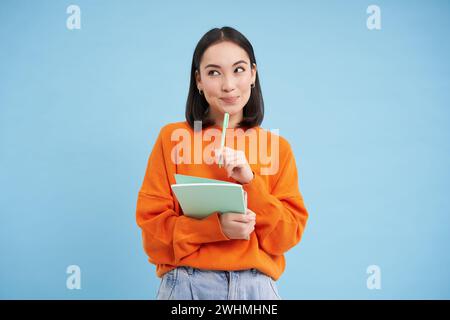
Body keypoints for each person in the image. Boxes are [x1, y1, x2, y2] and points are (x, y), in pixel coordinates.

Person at [136, 26, 309, 300]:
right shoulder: (172, 139)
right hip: (187, 286)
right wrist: (216, 228)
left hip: (256, 289)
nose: (228, 84)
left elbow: (285, 238)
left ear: (253, 74)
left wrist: (250, 182)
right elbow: (154, 237)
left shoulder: (278, 148)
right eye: (214, 72)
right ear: (199, 81)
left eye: (238, 70)